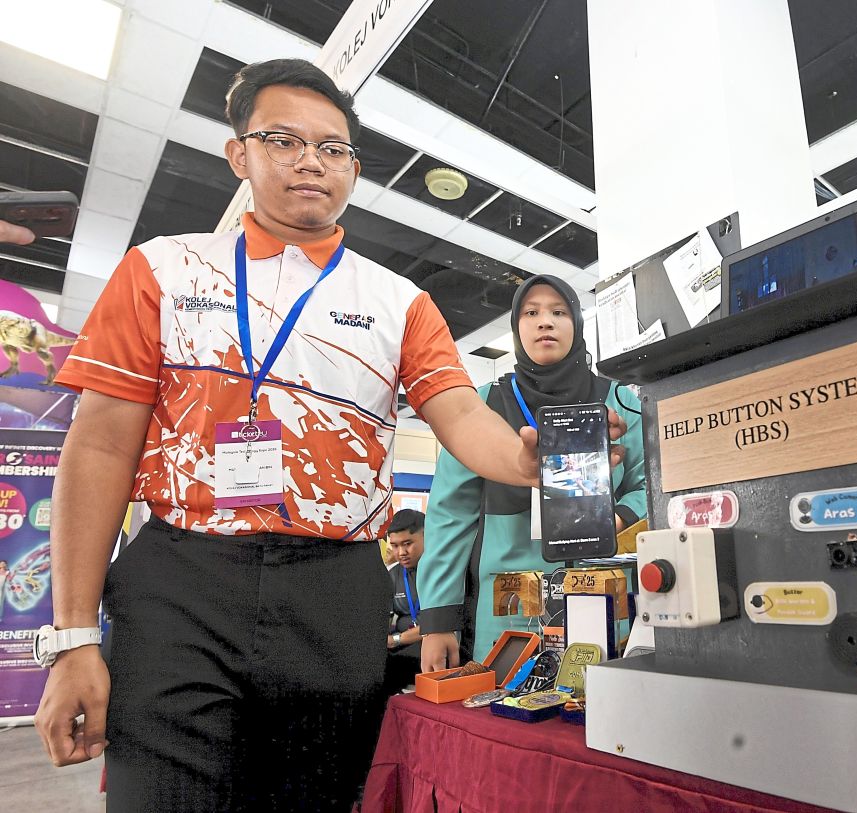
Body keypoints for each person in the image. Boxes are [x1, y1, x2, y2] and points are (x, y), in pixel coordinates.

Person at [31, 58, 625, 812]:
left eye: (333, 147)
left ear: (352, 166)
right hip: (185, 582)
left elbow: (462, 415)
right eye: (284, 139)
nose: (311, 160)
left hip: (336, 591)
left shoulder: (398, 301)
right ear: (238, 153)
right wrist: (72, 638)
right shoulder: (160, 270)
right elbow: (99, 450)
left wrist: (525, 458)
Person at [418, 275, 647, 671]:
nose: (546, 322)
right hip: (506, 605)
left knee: (601, 707)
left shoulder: (619, 403)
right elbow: (450, 514)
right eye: (531, 313)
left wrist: (619, 515)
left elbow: (650, 487)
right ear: (516, 328)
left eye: (559, 312)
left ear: (576, 323)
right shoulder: (485, 406)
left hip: (601, 593)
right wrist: (438, 622)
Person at [385, 508, 424, 691]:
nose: (401, 552)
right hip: (400, 647)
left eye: (407, 543)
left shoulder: (442, 572)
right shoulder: (392, 575)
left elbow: (441, 624)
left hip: (430, 644)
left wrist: (396, 639)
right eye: (395, 545)